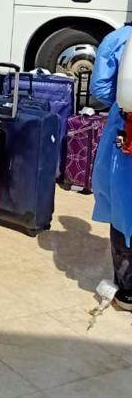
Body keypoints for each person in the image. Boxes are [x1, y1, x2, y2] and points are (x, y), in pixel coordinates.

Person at [90, 23, 132, 311]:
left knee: (123, 206)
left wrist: (121, 106)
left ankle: (127, 291)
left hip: (126, 130)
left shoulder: (118, 39)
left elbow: (101, 88)